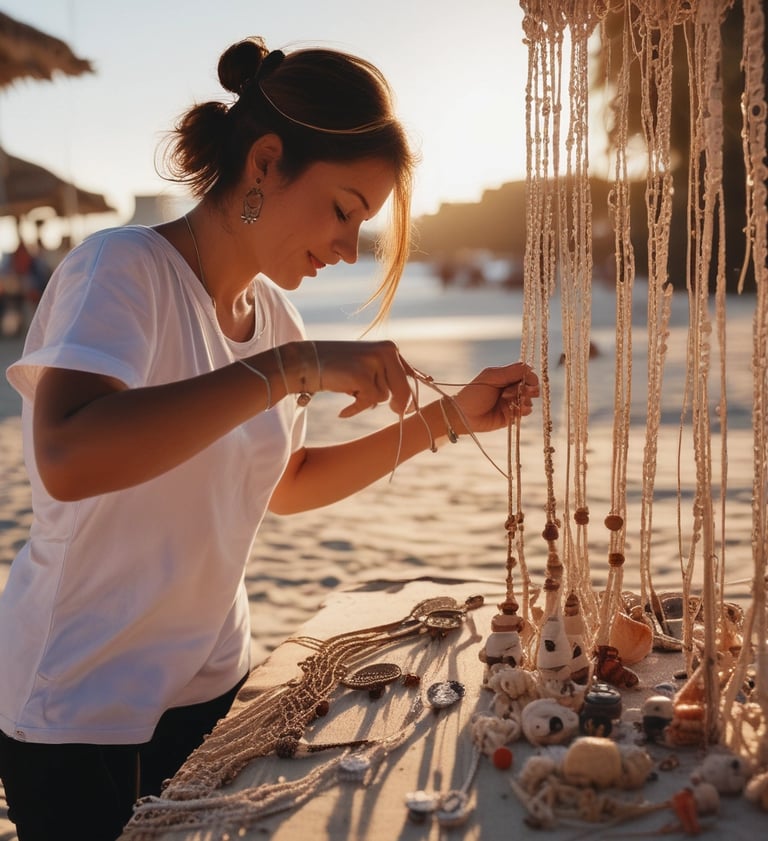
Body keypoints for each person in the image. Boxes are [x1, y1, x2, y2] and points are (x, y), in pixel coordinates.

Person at [0, 36, 539, 841]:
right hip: (80, 706)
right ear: (265, 162)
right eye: (343, 209)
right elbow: (70, 455)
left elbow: (284, 482)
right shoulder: (122, 268)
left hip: (214, 685)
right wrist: (295, 366)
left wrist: (448, 417)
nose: (348, 247)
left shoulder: (271, 317)